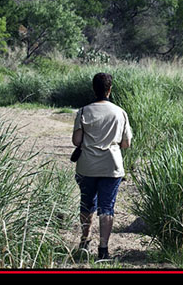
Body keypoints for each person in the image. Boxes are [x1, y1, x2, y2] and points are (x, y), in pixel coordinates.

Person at [72, 72, 132, 261]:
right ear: (109, 89)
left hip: (87, 166)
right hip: (111, 166)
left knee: (87, 204)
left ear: (94, 88)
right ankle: (103, 249)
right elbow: (126, 144)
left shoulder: (83, 111)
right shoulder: (120, 112)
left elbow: (76, 141)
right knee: (107, 208)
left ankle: (84, 241)